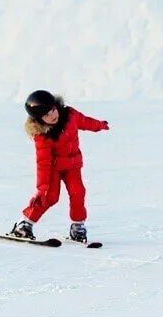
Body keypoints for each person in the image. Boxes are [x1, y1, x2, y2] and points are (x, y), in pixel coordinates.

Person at [8, 90, 109, 243]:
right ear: (39, 119)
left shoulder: (70, 115)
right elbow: (43, 162)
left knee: (78, 192)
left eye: (53, 110)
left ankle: (78, 227)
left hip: (72, 164)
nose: (53, 115)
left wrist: (99, 125)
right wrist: (42, 187)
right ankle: (24, 224)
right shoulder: (42, 135)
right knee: (49, 197)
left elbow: (85, 121)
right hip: (53, 169)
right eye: (47, 115)